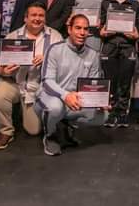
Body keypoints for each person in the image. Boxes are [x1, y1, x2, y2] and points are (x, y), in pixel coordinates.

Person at [0, 2, 63, 150]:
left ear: (45, 18)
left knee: (34, 131)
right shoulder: (13, 36)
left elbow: (64, 63)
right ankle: (6, 131)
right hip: (15, 83)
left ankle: (28, 112)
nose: (37, 18)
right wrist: (4, 71)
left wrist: (48, 59)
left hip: (39, 88)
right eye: (33, 15)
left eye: (41, 15)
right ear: (25, 18)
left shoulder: (55, 37)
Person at [36, 15, 108, 156]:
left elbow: (92, 85)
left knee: (102, 116)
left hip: (75, 100)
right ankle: (50, 136)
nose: (82, 32)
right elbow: (47, 81)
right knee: (56, 107)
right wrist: (65, 95)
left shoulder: (93, 54)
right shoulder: (54, 49)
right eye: (78, 28)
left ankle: (66, 125)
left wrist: (99, 101)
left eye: (85, 29)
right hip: (50, 97)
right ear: (69, 29)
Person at [99, 0, 139, 128]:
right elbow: (101, 26)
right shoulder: (106, 3)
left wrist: (135, 35)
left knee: (125, 82)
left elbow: (137, 28)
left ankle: (122, 113)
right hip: (109, 46)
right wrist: (103, 32)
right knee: (110, 81)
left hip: (128, 47)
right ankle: (111, 114)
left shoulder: (135, 4)